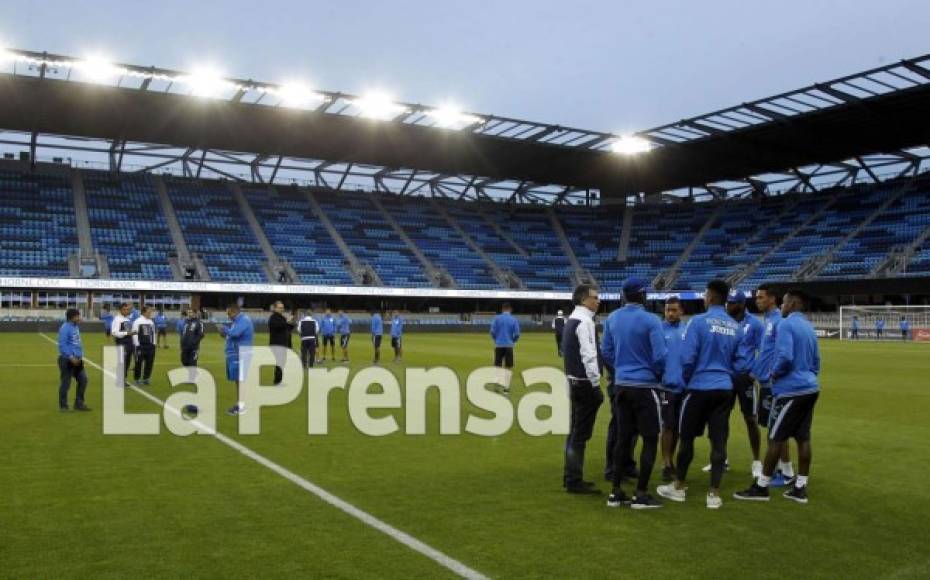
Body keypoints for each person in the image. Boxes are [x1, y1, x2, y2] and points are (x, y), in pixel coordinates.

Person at [657, 279, 744, 510]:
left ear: (712, 298)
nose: (704, 298)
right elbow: (743, 362)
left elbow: (687, 359)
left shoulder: (698, 322)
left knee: (686, 438)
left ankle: (679, 487)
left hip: (698, 388)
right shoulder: (735, 327)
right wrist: (726, 376)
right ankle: (714, 494)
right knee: (718, 441)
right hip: (724, 389)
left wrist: (687, 380)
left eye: (705, 295)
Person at [735, 289, 820, 504]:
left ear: (792, 303)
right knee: (803, 437)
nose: (782, 305)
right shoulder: (809, 327)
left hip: (790, 389)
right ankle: (800, 487)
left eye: (784, 302)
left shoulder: (786, 324)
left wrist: (773, 374)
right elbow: (816, 361)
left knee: (775, 437)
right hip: (810, 387)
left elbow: (785, 356)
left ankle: (761, 487)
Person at [600, 277, 667, 510]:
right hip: (646, 386)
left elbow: (605, 351)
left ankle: (616, 492)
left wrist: (620, 370)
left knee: (622, 438)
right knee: (649, 439)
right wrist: (656, 375)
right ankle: (641, 494)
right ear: (643, 295)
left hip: (621, 385)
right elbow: (660, 357)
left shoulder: (613, 318)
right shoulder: (652, 320)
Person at [703, 290, 764, 477]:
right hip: (726, 377)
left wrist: (754, 372)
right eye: (727, 302)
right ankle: (722, 459)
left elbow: (765, 350)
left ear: (741, 304)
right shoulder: (724, 322)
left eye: (732, 303)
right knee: (720, 419)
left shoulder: (755, 324)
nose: (728, 306)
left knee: (750, 419)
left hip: (745, 377)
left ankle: (756, 462)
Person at [561, 284, 604, 494]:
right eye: (594, 297)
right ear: (583, 299)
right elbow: (589, 355)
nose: (598, 301)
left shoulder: (572, 319)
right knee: (580, 435)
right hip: (584, 383)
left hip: (573, 381)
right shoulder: (585, 321)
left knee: (574, 433)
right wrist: (596, 384)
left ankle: (569, 476)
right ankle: (574, 480)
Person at [751, 282, 795, 487]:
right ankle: (785, 471)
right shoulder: (767, 320)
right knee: (773, 429)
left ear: (772, 299)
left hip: (772, 384)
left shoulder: (778, 322)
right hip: (764, 382)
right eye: (757, 297)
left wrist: (772, 374)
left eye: (761, 297)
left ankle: (782, 472)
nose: (757, 300)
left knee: (774, 431)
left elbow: (782, 353)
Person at [660, 297, 686, 483]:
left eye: (674, 310)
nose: (670, 313)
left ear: (681, 311)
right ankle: (666, 463)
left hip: (685, 387)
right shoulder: (659, 330)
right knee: (667, 426)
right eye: (668, 310)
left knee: (678, 428)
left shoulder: (688, 331)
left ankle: (672, 460)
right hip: (666, 386)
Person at [219, 304, 254, 416]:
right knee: (238, 380)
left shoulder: (244, 320)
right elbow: (232, 336)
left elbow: (235, 333)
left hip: (242, 354)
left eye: (229, 314)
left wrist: (225, 329)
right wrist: (224, 334)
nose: (228, 316)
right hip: (236, 354)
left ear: (235, 312)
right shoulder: (237, 322)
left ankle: (242, 406)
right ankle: (241, 404)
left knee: (241, 381)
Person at [58, 308, 89, 412]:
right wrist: (71, 356)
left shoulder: (75, 327)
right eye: (77, 316)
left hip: (77, 360)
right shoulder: (65, 328)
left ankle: (79, 403)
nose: (79, 317)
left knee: (83, 380)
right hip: (67, 360)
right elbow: (62, 345)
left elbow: (76, 343)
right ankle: (63, 406)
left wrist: (79, 356)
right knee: (66, 383)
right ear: (72, 317)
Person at [490, 303, 521, 394]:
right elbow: (517, 334)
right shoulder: (513, 319)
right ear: (510, 309)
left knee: (497, 366)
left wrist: (496, 340)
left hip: (499, 345)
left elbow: (492, 332)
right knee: (508, 368)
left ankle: (496, 387)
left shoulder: (497, 318)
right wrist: (513, 342)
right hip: (509, 346)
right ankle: (506, 389)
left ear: (502, 309)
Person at [268, 301, 295, 385]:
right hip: (277, 344)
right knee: (280, 362)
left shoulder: (281, 317)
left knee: (281, 362)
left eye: (282, 307)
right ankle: (277, 381)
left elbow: (286, 328)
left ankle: (278, 380)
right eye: (279, 308)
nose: (281, 309)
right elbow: (277, 326)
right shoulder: (273, 318)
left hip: (283, 343)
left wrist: (291, 323)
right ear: (275, 308)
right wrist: (287, 321)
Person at [131, 305, 157, 386]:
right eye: (149, 312)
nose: (150, 313)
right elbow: (134, 334)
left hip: (150, 346)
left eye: (151, 312)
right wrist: (137, 345)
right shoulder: (137, 321)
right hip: (140, 346)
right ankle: (137, 379)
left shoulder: (151, 322)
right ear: (144, 312)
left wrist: (154, 343)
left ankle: (146, 378)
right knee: (138, 363)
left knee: (149, 363)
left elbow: (153, 334)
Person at [110, 302, 135, 383]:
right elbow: (114, 333)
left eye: (128, 309)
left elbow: (128, 331)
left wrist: (132, 333)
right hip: (122, 342)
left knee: (127, 362)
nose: (127, 311)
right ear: (120, 310)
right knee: (122, 362)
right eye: (125, 309)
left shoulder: (127, 319)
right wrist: (127, 333)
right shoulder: (117, 320)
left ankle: (123, 379)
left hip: (129, 342)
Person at [179, 309, 205, 380]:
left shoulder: (199, 323)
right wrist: (181, 343)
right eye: (188, 312)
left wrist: (194, 342)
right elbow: (183, 333)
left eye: (191, 312)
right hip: (184, 346)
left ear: (195, 313)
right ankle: (193, 373)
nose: (189, 314)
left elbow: (201, 335)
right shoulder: (185, 322)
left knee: (192, 362)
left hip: (194, 347)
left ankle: (191, 379)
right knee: (183, 360)